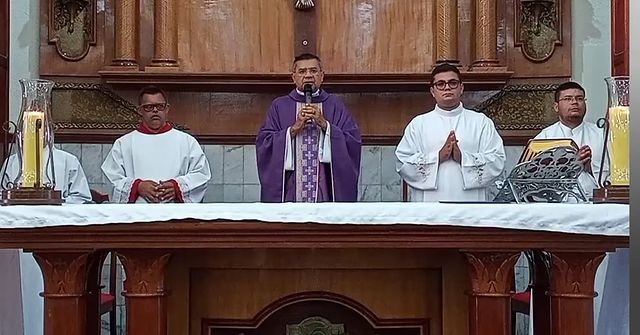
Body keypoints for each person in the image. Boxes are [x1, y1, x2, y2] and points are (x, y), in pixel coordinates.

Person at [256, 53, 361, 202]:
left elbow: (352, 141)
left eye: (313, 71)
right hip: (291, 191)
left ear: (322, 75)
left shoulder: (335, 105)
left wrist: (325, 125)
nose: (308, 75)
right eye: (302, 71)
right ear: (293, 77)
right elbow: (264, 143)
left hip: (325, 192)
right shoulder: (280, 106)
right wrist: (292, 130)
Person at [395, 63, 506, 202]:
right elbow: (402, 162)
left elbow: (497, 160)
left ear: (461, 88)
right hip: (429, 207)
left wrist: (463, 158)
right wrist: (438, 157)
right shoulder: (418, 124)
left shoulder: (481, 122)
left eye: (452, 83)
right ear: (432, 91)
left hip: (470, 205)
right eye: (440, 84)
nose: (447, 87)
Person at [101, 85, 211, 203]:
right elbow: (111, 179)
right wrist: (137, 187)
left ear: (167, 109)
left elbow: (201, 175)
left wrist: (177, 187)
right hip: (137, 213)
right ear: (140, 110)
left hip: (175, 213)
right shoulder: (123, 143)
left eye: (160, 106)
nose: (155, 110)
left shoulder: (187, 142)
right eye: (148, 107)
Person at [533, 81, 609, 197]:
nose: (574, 102)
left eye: (579, 98)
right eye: (568, 99)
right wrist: (569, 165)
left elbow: (614, 173)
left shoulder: (601, 135)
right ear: (556, 107)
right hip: (557, 204)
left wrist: (590, 168)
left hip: (594, 201)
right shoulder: (544, 138)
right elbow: (534, 177)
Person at [1, 147, 92, 204]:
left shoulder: (68, 160)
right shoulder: (11, 161)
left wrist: (57, 202)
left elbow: (81, 197)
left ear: (49, 131)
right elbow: (1, 195)